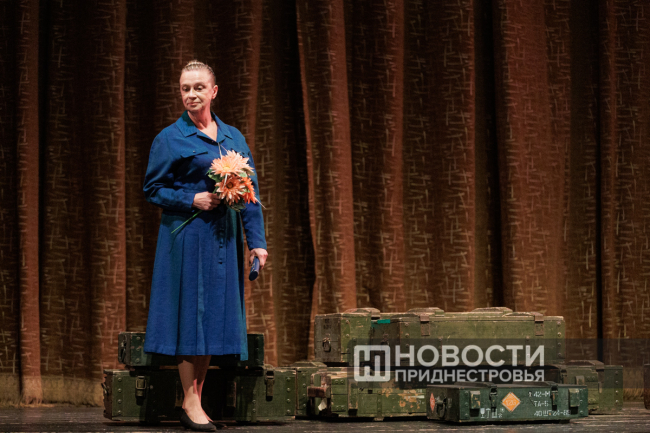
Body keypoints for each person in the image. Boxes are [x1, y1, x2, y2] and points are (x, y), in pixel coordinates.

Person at [142, 60, 268, 431]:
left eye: (199, 87)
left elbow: (249, 193)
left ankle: (194, 399)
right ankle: (190, 400)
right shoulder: (170, 138)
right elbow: (152, 189)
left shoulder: (233, 137)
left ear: (213, 91)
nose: (192, 94)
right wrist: (191, 199)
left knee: (212, 317)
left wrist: (257, 243)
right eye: (186, 88)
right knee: (189, 317)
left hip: (223, 240)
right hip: (187, 237)